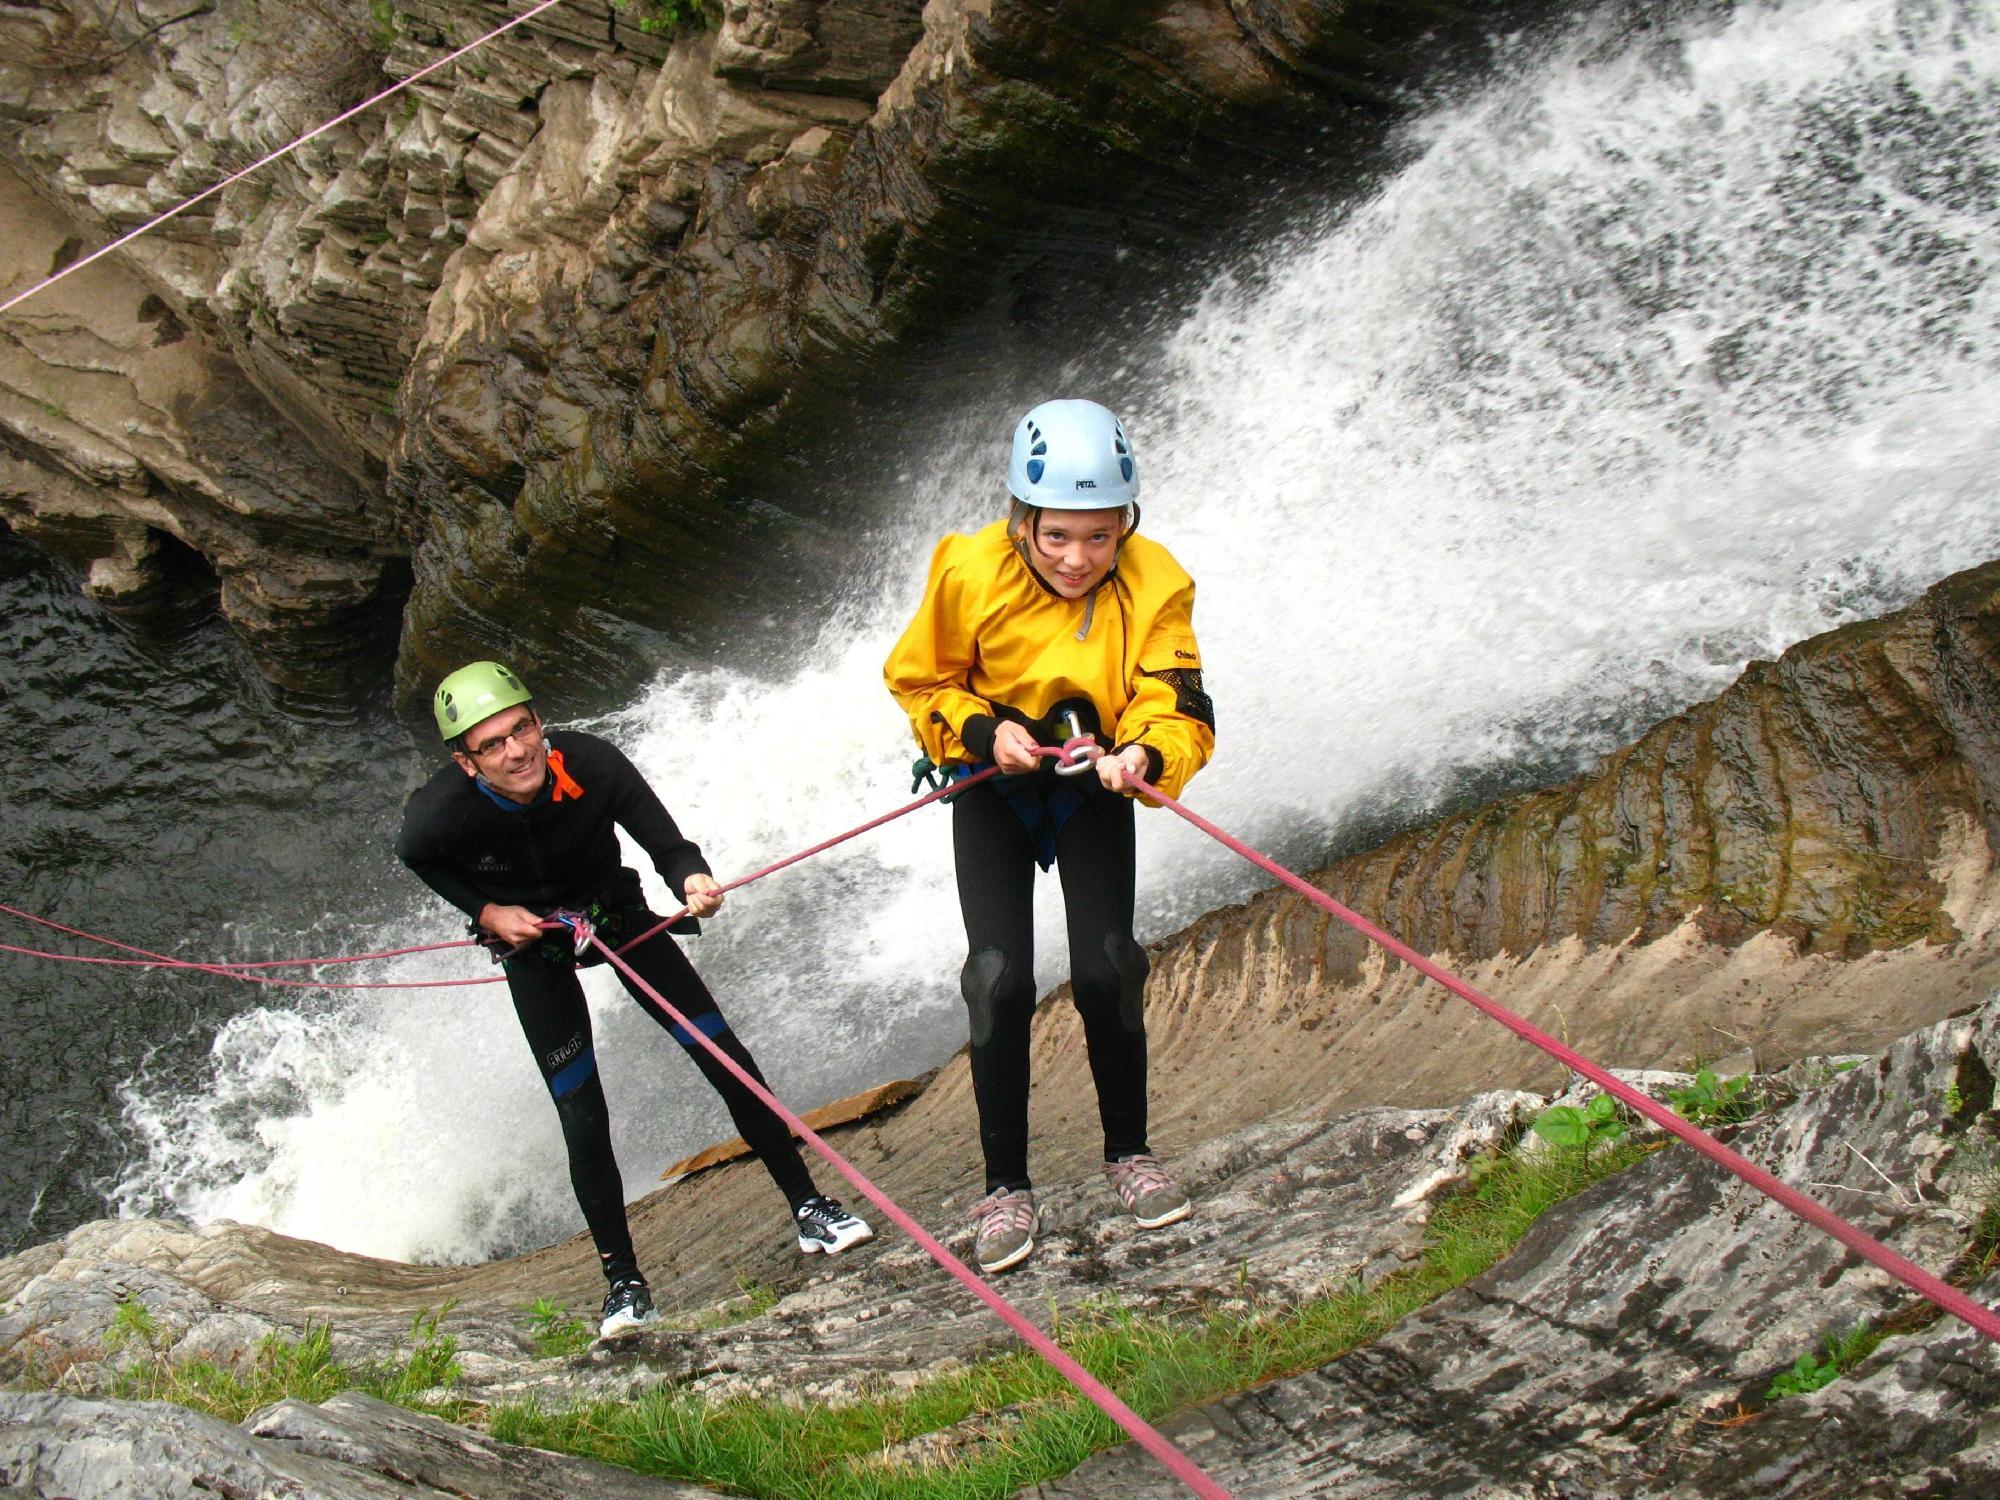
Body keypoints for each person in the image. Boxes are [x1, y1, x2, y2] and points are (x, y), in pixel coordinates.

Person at [397, 661, 872, 1337]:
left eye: (522, 728)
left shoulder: (593, 762)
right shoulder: (439, 814)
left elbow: (668, 845)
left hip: (616, 914)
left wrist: (693, 879)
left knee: (722, 1055)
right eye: (492, 745)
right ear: (467, 763)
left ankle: (810, 1208)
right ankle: (623, 1283)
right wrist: (487, 911)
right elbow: (417, 855)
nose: (516, 751)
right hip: (534, 948)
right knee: (580, 1110)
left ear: (539, 722)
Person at [883, 398, 1215, 1274]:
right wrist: (980, 731)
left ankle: (1130, 1157)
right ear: (1023, 521)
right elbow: (919, 682)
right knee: (997, 979)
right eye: (1058, 535)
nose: (1078, 558)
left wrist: (1145, 749)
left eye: (1100, 537)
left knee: (1110, 965)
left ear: (1125, 526)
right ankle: (1004, 1188)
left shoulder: (1158, 580)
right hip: (992, 782)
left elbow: (1179, 696)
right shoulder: (967, 570)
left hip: (1090, 781)